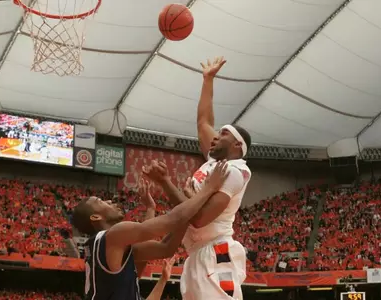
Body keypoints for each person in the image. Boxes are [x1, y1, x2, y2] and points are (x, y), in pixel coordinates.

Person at [144, 56, 252, 299]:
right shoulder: (216, 162)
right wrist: (208, 80)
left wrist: (165, 183)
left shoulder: (235, 171)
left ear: (237, 144)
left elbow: (199, 219)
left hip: (216, 252)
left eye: (222, 134)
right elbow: (203, 121)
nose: (214, 137)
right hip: (197, 253)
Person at [71, 161, 230, 300]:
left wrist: (151, 208)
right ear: (96, 217)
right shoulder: (114, 235)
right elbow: (172, 220)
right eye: (100, 201)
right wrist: (208, 189)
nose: (109, 201)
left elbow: (165, 248)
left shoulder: (106, 246)